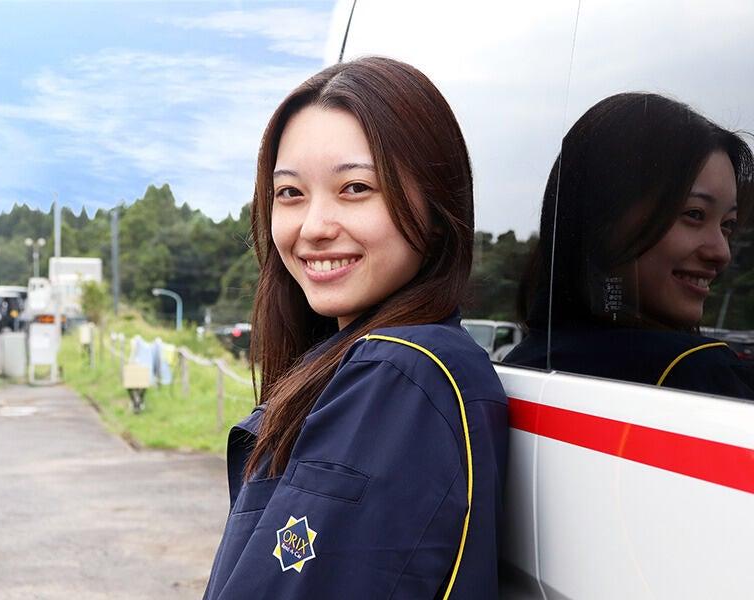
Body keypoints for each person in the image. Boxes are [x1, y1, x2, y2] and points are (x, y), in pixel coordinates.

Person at [203, 57, 508, 600]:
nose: (314, 227)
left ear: (436, 205)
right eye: (290, 193)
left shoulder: (400, 375)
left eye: (356, 188)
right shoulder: (361, 362)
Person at [505, 92, 754, 398]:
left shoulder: (520, 367)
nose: (721, 253)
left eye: (727, 225)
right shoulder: (692, 374)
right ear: (603, 218)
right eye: (693, 214)